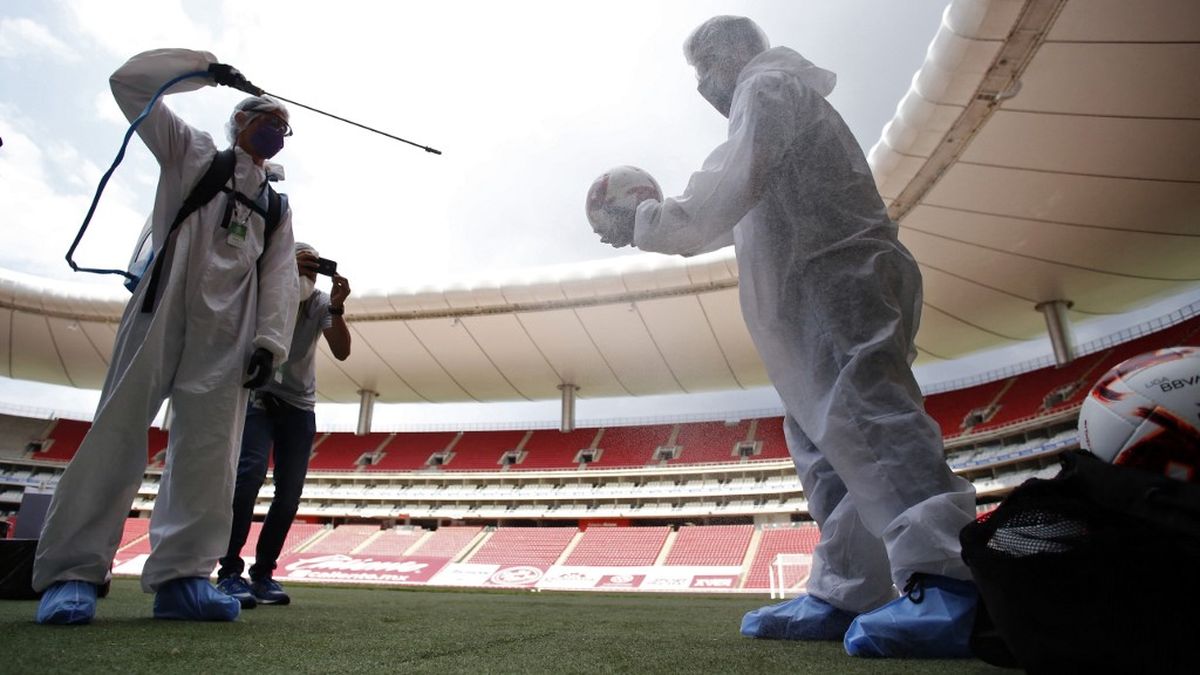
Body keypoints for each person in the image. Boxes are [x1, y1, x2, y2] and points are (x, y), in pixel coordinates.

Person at [607, 17, 979, 658]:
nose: (701, 88)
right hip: (814, 301)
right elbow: (740, 205)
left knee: (868, 420)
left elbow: (720, 196)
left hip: (835, 286)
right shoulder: (774, 101)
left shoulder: (769, 88)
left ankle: (947, 580)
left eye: (703, 69)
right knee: (827, 445)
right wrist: (656, 220)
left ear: (732, 55)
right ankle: (848, 589)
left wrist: (639, 218)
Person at [33, 48, 299, 624]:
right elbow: (129, 84)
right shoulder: (192, 151)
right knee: (118, 431)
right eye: (266, 119)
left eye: (284, 126)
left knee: (210, 453)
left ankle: (183, 578)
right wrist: (205, 70)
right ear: (239, 122)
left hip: (228, 333)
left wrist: (269, 345)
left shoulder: (275, 206)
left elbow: (280, 278)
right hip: (161, 308)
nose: (275, 130)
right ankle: (74, 573)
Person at [217, 243, 351, 608]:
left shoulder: (321, 302)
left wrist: (338, 306)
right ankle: (229, 571)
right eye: (302, 264)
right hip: (259, 396)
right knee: (248, 476)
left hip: (298, 405)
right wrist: (284, 274)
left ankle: (263, 574)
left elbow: (342, 350)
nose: (308, 273)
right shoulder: (266, 289)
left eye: (313, 266)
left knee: (289, 493)